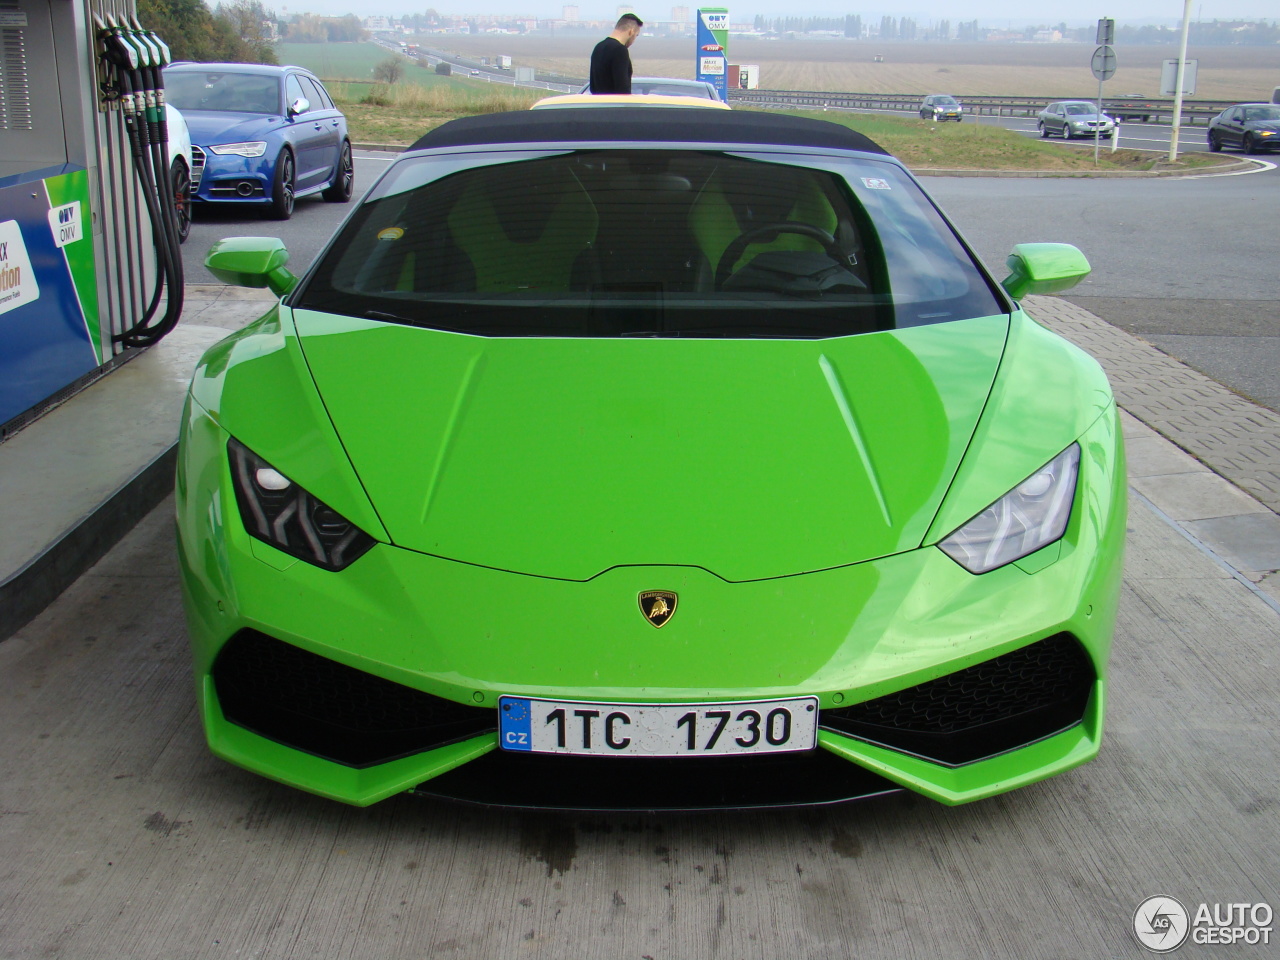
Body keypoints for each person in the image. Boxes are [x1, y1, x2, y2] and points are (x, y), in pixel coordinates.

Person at [589, 13, 643, 95]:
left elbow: (593, 86)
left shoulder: (598, 47)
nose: (634, 40)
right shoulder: (620, 50)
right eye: (636, 35)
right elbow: (622, 89)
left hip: (598, 104)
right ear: (631, 32)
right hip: (613, 105)